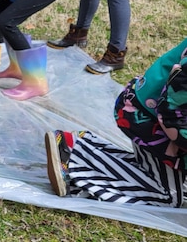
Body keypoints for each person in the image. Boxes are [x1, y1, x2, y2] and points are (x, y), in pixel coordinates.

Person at [45, 38, 187, 206]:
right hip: (148, 118)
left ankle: (89, 146)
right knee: (167, 196)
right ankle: (76, 155)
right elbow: (173, 112)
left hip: (158, 115)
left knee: (167, 183)